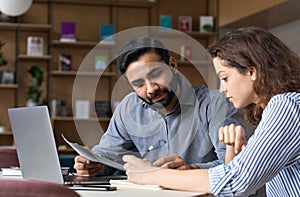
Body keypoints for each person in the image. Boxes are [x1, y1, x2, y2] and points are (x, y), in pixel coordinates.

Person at [122, 27, 300, 196]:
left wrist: (150, 174)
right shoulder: (277, 109)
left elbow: (236, 182)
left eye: (225, 78)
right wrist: (231, 149)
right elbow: (236, 182)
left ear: (252, 71)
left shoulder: (286, 105)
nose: (222, 89)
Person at [74, 37, 246, 176]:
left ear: (172, 65)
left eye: (156, 74)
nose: (151, 89)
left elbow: (234, 166)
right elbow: (108, 156)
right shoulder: (129, 107)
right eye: (139, 84)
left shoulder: (215, 104)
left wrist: (191, 169)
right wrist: (93, 165)